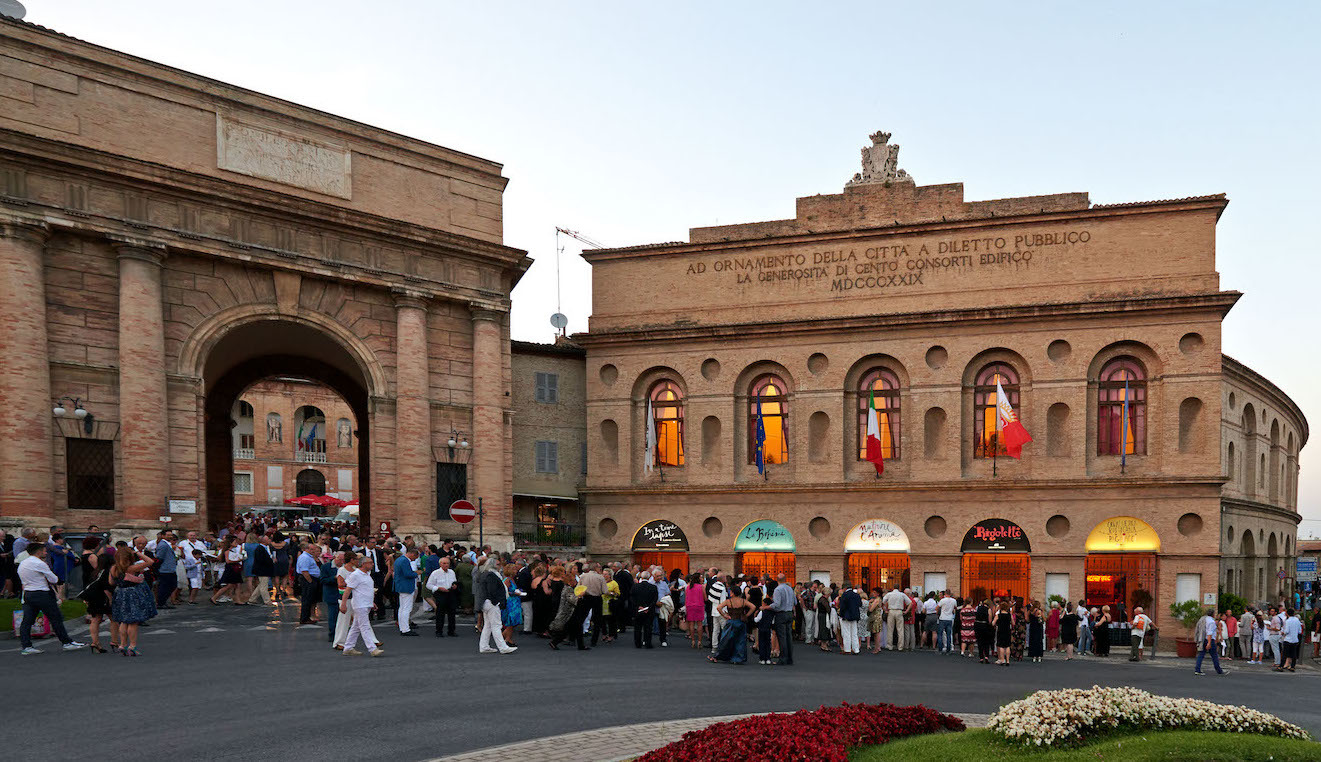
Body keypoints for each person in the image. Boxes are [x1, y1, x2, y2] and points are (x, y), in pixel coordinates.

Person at [16, 542, 87, 655]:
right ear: (38, 552)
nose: (46, 552)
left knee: (27, 621)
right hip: (42, 593)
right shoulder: (40, 563)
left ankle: (26, 646)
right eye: (44, 551)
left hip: (28, 593)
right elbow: (53, 579)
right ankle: (66, 642)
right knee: (55, 618)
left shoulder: (23, 563)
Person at [109, 546, 157, 656]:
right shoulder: (131, 568)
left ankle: (122, 644)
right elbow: (150, 561)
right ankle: (132, 646)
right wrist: (137, 553)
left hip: (120, 593)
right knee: (133, 621)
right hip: (132, 593)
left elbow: (111, 582)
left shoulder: (114, 568)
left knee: (123, 620)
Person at [77, 537, 117, 653]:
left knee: (95, 618)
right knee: (112, 618)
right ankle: (114, 641)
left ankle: (95, 642)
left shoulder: (84, 555)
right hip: (101, 593)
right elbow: (105, 584)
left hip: (92, 589)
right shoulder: (94, 558)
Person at [340, 555, 383, 657]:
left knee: (356, 627)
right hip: (360, 604)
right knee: (365, 626)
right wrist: (343, 604)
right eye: (370, 562)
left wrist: (371, 602)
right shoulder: (356, 575)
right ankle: (372, 648)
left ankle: (348, 647)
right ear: (363, 564)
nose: (372, 564)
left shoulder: (367, 574)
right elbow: (348, 590)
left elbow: (366, 590)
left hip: (365, 603)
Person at [709, 577, 755, 665]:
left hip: (731, 622)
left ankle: (720, 656)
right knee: (740, 641)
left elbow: (719, 607)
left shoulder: (728, 601)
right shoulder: (743, 601)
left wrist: (725, 615)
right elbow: (753, 607)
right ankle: (738, 658)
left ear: (733, 593)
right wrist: (746, 615)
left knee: (726, 640)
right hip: (740, 622)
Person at [476, 559, 516, 654]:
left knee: (488, 625)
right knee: (496, 625)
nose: (500, 566)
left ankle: (484, 646)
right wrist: (496, 602)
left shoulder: (484, 574)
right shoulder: (491, 575)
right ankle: (502, 647)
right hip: (491, 602)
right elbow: (492, 590)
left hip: (486, 602)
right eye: (498, 564)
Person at [425, 555, 459, 637]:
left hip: (450, 593)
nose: (446, 565)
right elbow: (428, 585)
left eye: (447, 563)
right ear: (440, 564)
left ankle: (451, 631)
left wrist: (455, 586)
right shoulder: (435, 573)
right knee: (440, 613)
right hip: (440, 593)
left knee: (452, 613)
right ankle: (439, 631)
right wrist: (438, 588)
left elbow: (454, 581)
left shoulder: (452, 572)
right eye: (444, 563)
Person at [391, 547, 419, 636]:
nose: (414, 559)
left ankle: (403, 627)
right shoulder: (404, 561)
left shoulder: (399, 560)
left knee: (402, 608)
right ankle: (405, 629)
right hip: (406, 586)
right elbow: (408, 574)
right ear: (412, 554)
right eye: (415, 557)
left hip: (401, 586)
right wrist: (416, 573)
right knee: (406, 608)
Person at [211, 536, 245, 605]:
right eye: (234, 542)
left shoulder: (234, 550)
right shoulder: (227, 551)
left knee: (238, 584)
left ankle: (238, 600)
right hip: (231, 569)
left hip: (234, 569)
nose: (236, 543)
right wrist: (238, 560)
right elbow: (228, 561)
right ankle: (214, 597)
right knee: (229, 585)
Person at [1193, 607, 1227, 676]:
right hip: (1209, 640)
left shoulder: (1204, 619)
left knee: (1201, 654)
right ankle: (1219, 670)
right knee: (1214, 655)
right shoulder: (1211, 622)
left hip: (1203, 639)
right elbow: (1209, 633)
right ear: (1213, 614)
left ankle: (1197, 669)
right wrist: (1209, 643)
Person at [630, 567, 659, 649]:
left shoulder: (635, 587)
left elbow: (632, 598)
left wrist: (638, 607)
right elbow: (655, 599)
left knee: (637, 627)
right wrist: (648, 607)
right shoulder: (653, 587)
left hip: (638, 610)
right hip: (649, 611)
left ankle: (637, 643)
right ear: (649, 577)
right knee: (648, 627)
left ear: (641, 577)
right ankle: (648, 643)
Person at [770, 573, 795, 666]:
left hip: (781, 614)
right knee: (789, 637)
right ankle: (789, 658)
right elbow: (795, 602)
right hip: (789, 613)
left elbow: (777, 604)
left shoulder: (778, 589)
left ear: (777, 580)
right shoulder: (790, 589)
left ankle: (783, 658)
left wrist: (768, 607)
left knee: (782, 637)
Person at [297, 543, 323, 625]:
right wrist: (310, 581)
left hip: (312, 578)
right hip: (308, 579)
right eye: (311, 549)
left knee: (310, 599)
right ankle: (304, 618)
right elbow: (304, 571)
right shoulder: (305, 557)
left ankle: (307, 617)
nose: (313, 551)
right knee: (307, 599)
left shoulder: (309, 557)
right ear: (306, 549)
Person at [321, 551, 343, 643]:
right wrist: (334, 578)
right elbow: (323, 580)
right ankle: (332, 634)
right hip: (331, 594)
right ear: (335, 558)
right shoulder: (326, 567)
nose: (342, 561)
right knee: (333, 616)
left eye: (343, 560)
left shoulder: (345, 567)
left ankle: (341, 634)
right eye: (340, 559)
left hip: (342, 594)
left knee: (342, 617)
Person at [153, 531, 178, 608]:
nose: (170, 536)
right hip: (165, 569)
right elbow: (159, 558)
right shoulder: (163, 545)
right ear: (163, 536)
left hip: (169, 569)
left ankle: (162, 602)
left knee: (172, 585)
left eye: (171, 534)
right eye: (168, 535)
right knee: (166, 586)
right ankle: (161, 602)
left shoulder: (167, 544)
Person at [882, 584, 909, 651]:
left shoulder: (889, 594)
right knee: (900, 629)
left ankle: (889, 645)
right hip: (899, 611)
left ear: (893, 588)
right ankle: (900, 646)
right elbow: (910, 603)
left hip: (891, 611)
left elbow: (883, 602)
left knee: (890, 629)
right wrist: (906, 611)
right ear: (899, 588)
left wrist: (885, 609)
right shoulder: (902, 594)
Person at [838, 582, 863, 655]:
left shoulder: (844, 595)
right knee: (854, 633)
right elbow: (860, 604)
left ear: (845, 588)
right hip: (855, 616)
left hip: (846, 616)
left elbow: (842, 607)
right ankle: (856, 649)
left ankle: (847, 649)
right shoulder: (856, 595)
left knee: (846, 633)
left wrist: (841, 614)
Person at [684, 572, 706, 649]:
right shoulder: (701, 587)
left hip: (690, 606)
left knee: (691, 624)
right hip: (699, 605)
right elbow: (705, 597)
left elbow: (686, 597)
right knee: (699, 624)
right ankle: (699, 641)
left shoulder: (688, 586)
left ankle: (693, 640)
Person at [1278, 608, 1302, 673]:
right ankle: (1293, 666)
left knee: (1285, 654)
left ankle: (1281, 666)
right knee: (1293, 654)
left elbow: (1287, 631)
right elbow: (1300, 631)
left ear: (1287, 614)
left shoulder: (1288, 621)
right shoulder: (1297, 620)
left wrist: (1283, 632)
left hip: (1288, 639)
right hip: (1295, 639)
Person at [936, 590, 957, 654]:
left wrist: (937, 613)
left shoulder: (942, 600)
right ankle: (948, 649)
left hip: (942, 618)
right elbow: (955, 607)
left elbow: (937, 607)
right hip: (949, 618)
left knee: (940, 634)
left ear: (945, 594)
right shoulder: (953, 600)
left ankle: (940, 649)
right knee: (949, 634)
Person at [994, 600, 1012, 666]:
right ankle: (1008, 660)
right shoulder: (1009, 615)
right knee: (1007, 646)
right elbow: (1013, 623)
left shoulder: (999, 615)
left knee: (1001, 645)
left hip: (1000, 630)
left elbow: (993, 623)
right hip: (1007, 630)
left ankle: (1002, 659)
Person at [867, 588, 885, 653]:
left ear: (878, 593)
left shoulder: (876, 600)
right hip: (877, 617)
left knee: (876, 633)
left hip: (875, 617)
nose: (873, 594)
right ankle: (878, 647)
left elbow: (871, 609)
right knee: (877, 633)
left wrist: (869, 603)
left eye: (874, 592)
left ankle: (877, 648)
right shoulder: (879, 600)